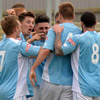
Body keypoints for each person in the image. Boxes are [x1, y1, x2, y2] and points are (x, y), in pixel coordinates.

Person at [30, 2, 82, 100]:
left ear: (60, 15)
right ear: (74, 16)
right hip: (70, 83)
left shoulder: (54, 29)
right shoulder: (79, 32)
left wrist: (33, 68)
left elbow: (46, 51)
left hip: (51, 80)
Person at [53, 11, 100, 100]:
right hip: (97, 86)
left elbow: (59, 51)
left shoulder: (78, 38)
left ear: (81, 23)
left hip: (82, 87)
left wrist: (58, 33)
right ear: (96, 23)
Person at [0, 15, 41, 100]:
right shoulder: (18, 45)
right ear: (15, 28)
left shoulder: (1, 44)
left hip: (2, 91)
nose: (20, 28)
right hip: (15, 93)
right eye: (19, 26)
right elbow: (42, 51)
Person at [29, 14, 50, 100]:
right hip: (36, 82)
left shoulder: (52, 41)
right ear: (35, 28)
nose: (44, 31)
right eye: (41, 28)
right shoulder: (31, 40)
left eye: (46, 28)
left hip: (49, 83)